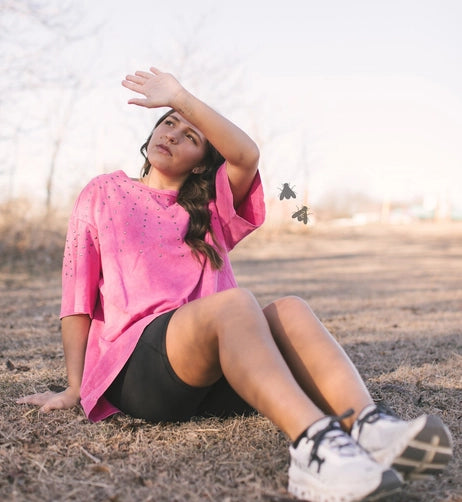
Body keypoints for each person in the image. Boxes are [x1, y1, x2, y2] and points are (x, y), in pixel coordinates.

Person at [17, 67, 453, 502]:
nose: (172, 133)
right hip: (139, 372)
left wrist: (181, 97)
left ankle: (367, 427)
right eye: (168, 122)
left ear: (203, 161)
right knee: (235, 305)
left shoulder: (210, 207)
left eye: (190, 135)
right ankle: (315, 451)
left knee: (291, 308)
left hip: (215, 372)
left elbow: (245, 155)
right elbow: (77, 292)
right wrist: (75, 387)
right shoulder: (103, 191)